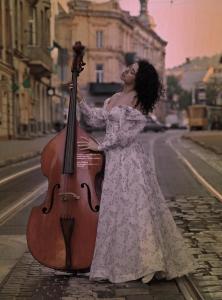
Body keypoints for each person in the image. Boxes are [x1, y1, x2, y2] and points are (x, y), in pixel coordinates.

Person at [76, 60, 198, 284]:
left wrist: (100, 146)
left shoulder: (137, 101)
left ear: (138, 79)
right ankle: (119, 264)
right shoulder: (113, 98)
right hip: (114, 162)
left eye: (132, 72)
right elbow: (96, 118)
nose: (127, 71)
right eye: (129, 68)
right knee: (116, 211)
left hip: (131, 160)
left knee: (137, 208)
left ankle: (149, 262)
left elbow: (126, 135)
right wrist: (80, 99)